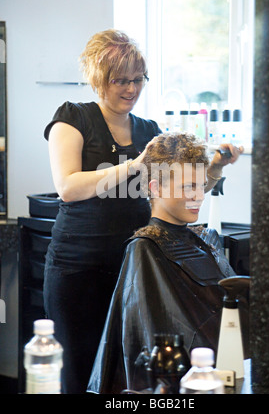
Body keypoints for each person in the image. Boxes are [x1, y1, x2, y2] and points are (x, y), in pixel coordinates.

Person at [43, 29, 243, 394]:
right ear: (97, 78)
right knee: (78, 372)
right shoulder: (73, 119)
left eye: (138, 80)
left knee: (124, 377)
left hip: (136, 268)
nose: (131, 89)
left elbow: (180, 191)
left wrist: (216, 167)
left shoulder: (148, 130)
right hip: (78, 271)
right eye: (120, 80)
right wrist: (136, 163)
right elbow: (68, 187)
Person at [87, 132, 248, 395]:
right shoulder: (145, 250)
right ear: (155, 188)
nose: (198, 196)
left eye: (200, 185)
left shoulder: (203, 239)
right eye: (187, 186)